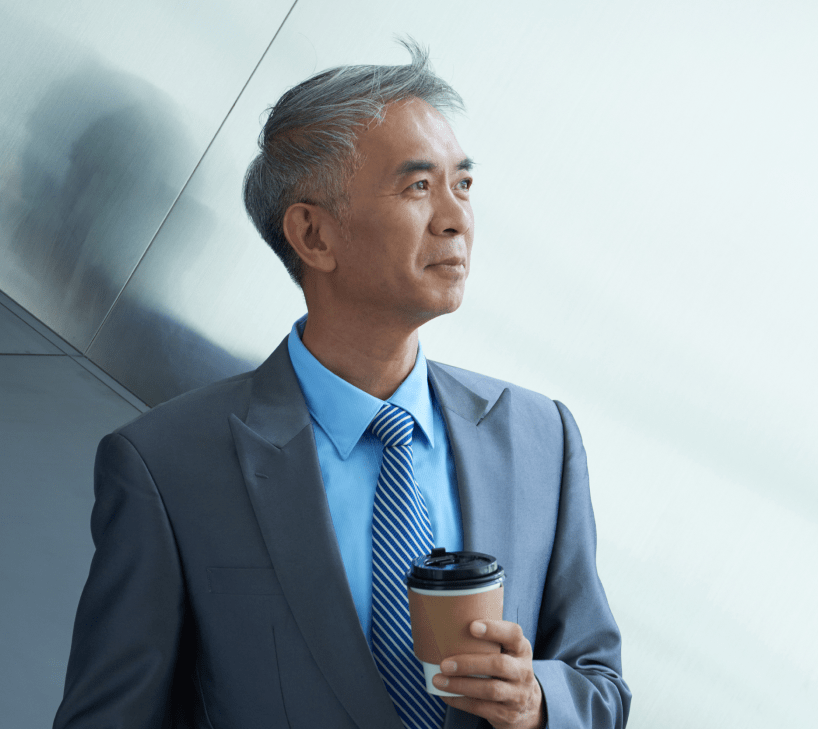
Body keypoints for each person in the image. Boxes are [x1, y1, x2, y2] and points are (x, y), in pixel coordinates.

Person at [54, 40, 631, 729]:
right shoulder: (166, 465)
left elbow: (602, 686)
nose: (456, 218)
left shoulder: (541, 437)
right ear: (313, 235)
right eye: (419, 186)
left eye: (463, 184)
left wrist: (537, 700)